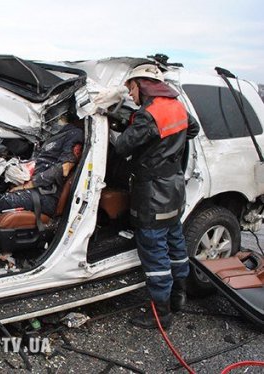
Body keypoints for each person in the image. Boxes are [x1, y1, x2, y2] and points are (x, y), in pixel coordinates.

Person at [110, 64, 200, 329]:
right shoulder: (176, 106)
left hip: (151, 194)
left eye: (131, 88)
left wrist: (123, 133)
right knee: (175, 242)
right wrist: (165, 149)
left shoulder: (148, 115)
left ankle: (160, 315)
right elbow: (191, 130)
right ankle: (178, 298)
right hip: (173, 189)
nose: (130, 95)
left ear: (142, 84)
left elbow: (124, 146)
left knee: (154, 253)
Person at [0, 112, 84, 247]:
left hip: (47, 195)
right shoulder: (49, 136)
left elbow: (64, 169)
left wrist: (29, 184)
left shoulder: (73, 134)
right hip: (35, 189)